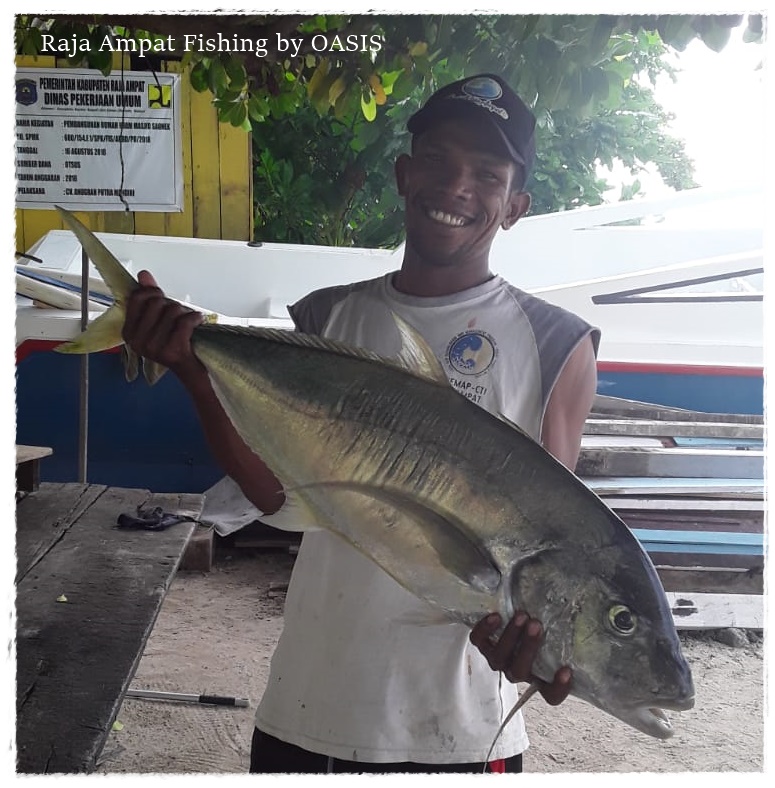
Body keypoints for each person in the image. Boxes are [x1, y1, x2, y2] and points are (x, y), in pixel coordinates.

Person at [122, 72, 600, 773]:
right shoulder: (324, 317)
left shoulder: (557, 343)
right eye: (435, 159)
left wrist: (541, 644)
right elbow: (279, 498)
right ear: (404, 174)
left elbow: (553, 540)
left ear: (515, 204)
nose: (455, 185)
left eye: (486, 173)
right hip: (308, 703)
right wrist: (194, 370)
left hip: (459, 732)